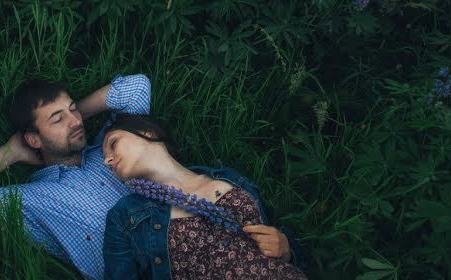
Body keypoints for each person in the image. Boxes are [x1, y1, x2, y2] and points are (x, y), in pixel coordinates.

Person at [0, 73, 151, 279]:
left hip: (176, 231)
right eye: (57, 119)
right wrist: (10, 152)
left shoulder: (107, 148)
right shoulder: (32, 198)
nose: (75, 121)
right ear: (34, 140)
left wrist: (75, 117)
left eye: (72, 109)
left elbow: (137, 89)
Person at [102, 115, 307, 279]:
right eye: (105, 159)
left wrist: (287, 248)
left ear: (147, 131)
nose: (108, 161)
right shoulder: (123, 217)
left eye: (113, 143)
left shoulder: (230, 178)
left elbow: (275, 239)